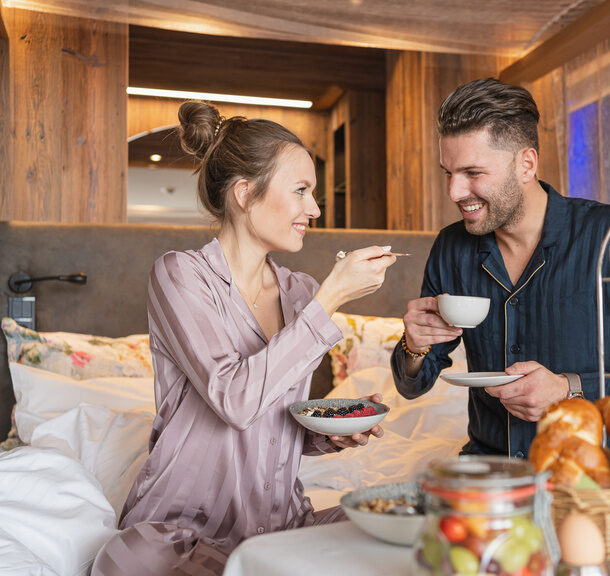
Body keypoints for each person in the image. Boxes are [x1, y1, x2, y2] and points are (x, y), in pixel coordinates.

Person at [92, 102, 396, 575]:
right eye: (300, 191)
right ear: (244, 193)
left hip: (281, 526)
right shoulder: (181, 276)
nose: (314, 210)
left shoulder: (300, 292)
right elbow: (235, 400)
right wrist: (334, 295)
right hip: (183, 530)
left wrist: (333, 434)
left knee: (402, 531)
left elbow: (274, 423)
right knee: (133, 560)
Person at [391, 78, 610, 457]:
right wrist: (415, 346)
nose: (455, 192)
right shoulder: (451, 247)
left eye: (473, 173)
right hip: (492, 473)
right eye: (449, 173)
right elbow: (414, 384)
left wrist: (570, 389)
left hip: (593, 474)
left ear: (526, 164)